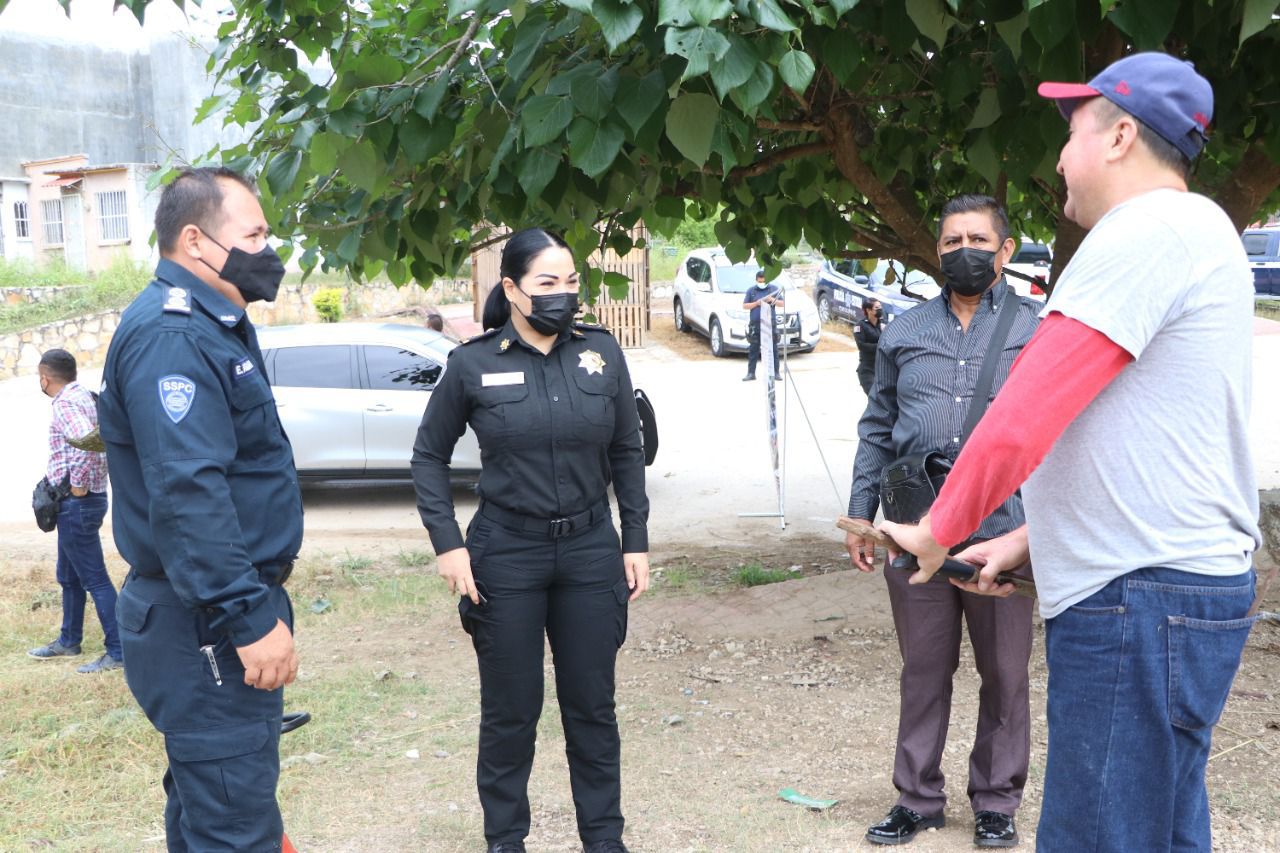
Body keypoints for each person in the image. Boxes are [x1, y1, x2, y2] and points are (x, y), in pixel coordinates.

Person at [881, 53, 1262, 851]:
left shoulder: (1144, 231)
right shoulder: (1196, 231)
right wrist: (1030, 537)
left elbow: (1028, 410)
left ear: (1122, 134)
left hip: (1140, 598)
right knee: (1161, 826)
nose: (1058, 155)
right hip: (1174, 588)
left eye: (1074, 129)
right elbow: (1145, 432)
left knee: (1099, 835)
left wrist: (936, 528)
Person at [412, 228, 650, 853]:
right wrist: (448, 544)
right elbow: (428, 456)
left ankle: (604, 840)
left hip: (590, 551)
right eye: (547, 283)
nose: (563, 294)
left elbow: (627, 449)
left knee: (592, 710)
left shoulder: (602, 354)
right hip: (505, 554)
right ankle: (505, 841)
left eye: (571, 281)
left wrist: (636, 539)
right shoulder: (473, 362)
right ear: (513, 289)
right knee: (511, 714)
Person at [98, 166, 303, 850]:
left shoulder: (212, 324)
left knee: (208, 815)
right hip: (208, 625)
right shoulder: (174, 337)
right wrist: (247, 614)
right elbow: (189, 497)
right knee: (234, 829)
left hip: (206, 617)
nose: (268, 250)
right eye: (254, 233)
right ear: (194, 240)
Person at [846, 194, 1042, 848]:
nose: (965, 250)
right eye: (952, 240)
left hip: (1002, 530)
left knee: (1006, 672)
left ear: (1005, 250)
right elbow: (876, 426)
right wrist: (859, 510)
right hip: (912, 525)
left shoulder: (1036, 328)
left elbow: (1053, 432)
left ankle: (995, 800)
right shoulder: (903, 331)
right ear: (937, 251)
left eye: (978, 239)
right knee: (923, 667)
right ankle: (918, 797)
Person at [27, 348, 122, 673]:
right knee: (68, 576)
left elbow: (87, 441)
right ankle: (69, 641)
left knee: (95, 579)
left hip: (78, 502)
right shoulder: (83, 394)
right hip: (82, 501)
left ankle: (119, 650)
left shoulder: (66, 403)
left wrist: (78, 484)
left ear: (44, 377)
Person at [742, 269, 783, 381]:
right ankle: (751, 373)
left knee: (773, 348)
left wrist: (772, 300)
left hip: (770, 323)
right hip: (755, 324)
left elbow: (782, 304)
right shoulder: (751, 291)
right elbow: (745, 306)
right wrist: (756, 303)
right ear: (756, 280)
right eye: (760, 281)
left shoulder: (773, 289)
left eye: (764, 281)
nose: (762, 283)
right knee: (753, 349)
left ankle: (776, 373)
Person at [854, 297, 883, 396]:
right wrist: (880, 346)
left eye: (880, 307)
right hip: (867, 370)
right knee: (874, 397)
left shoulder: (882, 326)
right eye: (877, 308)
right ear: (868, 310)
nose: (880, 310)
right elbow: (861, 346)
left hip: (880, 369)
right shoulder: (860, 326)